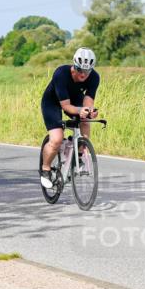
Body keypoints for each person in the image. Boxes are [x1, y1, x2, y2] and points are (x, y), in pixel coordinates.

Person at [39, 47, 99, 188]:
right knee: (57, 139)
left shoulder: (94, 77)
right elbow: (66, 106)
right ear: (74, 66)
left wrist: (89, 111)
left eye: (87, 71)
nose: (83, 75)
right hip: (53, 102)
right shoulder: (61, 73)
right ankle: (45, 169)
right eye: (80, 70)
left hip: (74, 98)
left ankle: (78, 156)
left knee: (85, 120)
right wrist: (80, 110)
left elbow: (88, 100)